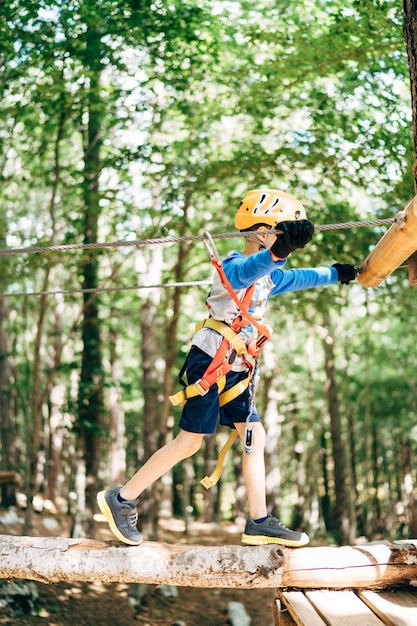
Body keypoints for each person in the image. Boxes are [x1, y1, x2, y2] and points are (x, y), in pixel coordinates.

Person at [97, 188, 356, 547]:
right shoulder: (230, 268)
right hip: (211, 362)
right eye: (280, 233)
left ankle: (259, 521)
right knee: (189, 443)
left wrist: (336, 273)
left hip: (237, 369)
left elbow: (299, 277)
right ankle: (122, 498)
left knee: (255, 436)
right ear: (264, 232)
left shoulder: (270, 277)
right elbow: (252, 268)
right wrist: (280, 251)